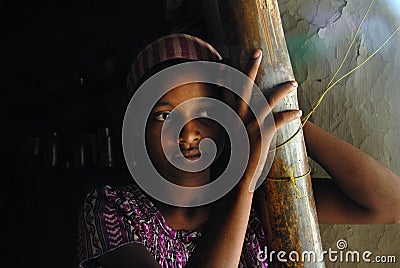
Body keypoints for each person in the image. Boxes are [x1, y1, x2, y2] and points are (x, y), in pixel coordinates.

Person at [77, 34, 400, 268]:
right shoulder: (112, 208)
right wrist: (246, 171)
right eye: (163, 116)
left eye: (204, 111)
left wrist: (274, 118)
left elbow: (389, 205)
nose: (188, 132)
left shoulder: (266, 201)